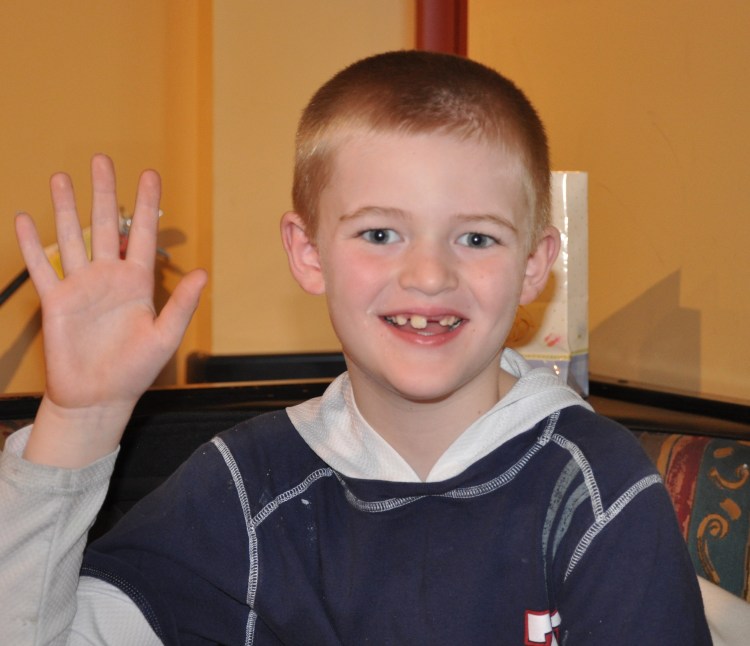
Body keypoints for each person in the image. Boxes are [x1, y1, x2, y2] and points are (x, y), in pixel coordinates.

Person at [1, 51, 712, 644]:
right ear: (308, 252)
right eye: (380, 234)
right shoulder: (245, 490)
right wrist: (80, 421)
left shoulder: (595, 490)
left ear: (533, 265)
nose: (429, 274)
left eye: (476, 237)